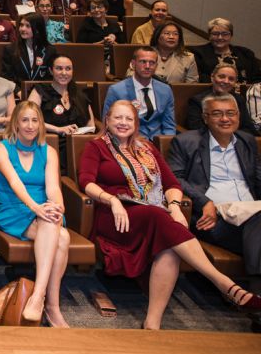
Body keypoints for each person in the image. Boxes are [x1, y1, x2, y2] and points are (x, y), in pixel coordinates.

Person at [79, 100, 261, 329]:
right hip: (115, 216)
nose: (123, 123)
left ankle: (152, 322)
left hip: (152, 216)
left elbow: (172, 183)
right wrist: (112, 200)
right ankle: (224, 283)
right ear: (107, 120)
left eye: (129, 119)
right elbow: (86, 181)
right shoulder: (96, 146)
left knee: (169, 247)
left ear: (136, 123)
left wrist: (175, 206)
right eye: (118, 118)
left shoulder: (147, 148)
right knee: (158, 217)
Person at [168, 93, 261, 296]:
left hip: (250, 213)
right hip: (214, 218)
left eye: (231, 113)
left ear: (238, 116)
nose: (225, 119)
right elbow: (175, 178)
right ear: (205, 117)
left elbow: (257, 178)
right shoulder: (186, 142)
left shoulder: (247, 141)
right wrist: (204, 202)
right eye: (217, 114)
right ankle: (256, 291)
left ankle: (254, 294)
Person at [0, 102, 70, 326]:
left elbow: (53, 187)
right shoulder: (1, 148)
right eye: (25, 120)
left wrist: (58, 207)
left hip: (44, 208)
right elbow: (15, 182)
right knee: (61, 237)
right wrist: (37, 208)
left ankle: (40, 298)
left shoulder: (48, 151)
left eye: (35, 120)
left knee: (58, 231)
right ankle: (49, 305)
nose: (30, 125)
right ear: (15, 123)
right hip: (14, 208)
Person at [28, 54, 94, 173]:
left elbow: (91, 125)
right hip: (49, 144)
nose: (64, 73)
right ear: (51, 70)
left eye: (68, 69)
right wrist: (58, 129)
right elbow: (28, 119)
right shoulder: (40, 91)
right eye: (59, 68)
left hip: (76, 147)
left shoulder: (79, 94)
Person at [185, 64, 257, 135]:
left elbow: (249, 128)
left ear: (235, 82)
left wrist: (231, 137)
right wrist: (224, 135)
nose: (226, 81)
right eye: (222, 77)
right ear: (212, 77)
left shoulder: (239, 99)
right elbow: (196, 128)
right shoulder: (197, 101)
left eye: (231, 79)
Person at [190, 17, 260, 85]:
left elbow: (257, 79)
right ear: (209, 36)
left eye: (225, 34)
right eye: (215, 34)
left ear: (231, 36)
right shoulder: (198, 54)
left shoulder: (245, 53)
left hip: (246, 92)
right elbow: (200, 80)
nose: (220, 37)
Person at [2, 13, 56, 85]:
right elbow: (6, 76)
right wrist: (18, 90)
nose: (22, 29)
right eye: (21, 25)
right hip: (17, 90)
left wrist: (39, 91)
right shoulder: (10, 49)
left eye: (28, 26)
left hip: (42, 91)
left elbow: (51, 76)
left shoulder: (50, 50)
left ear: (37, 29)